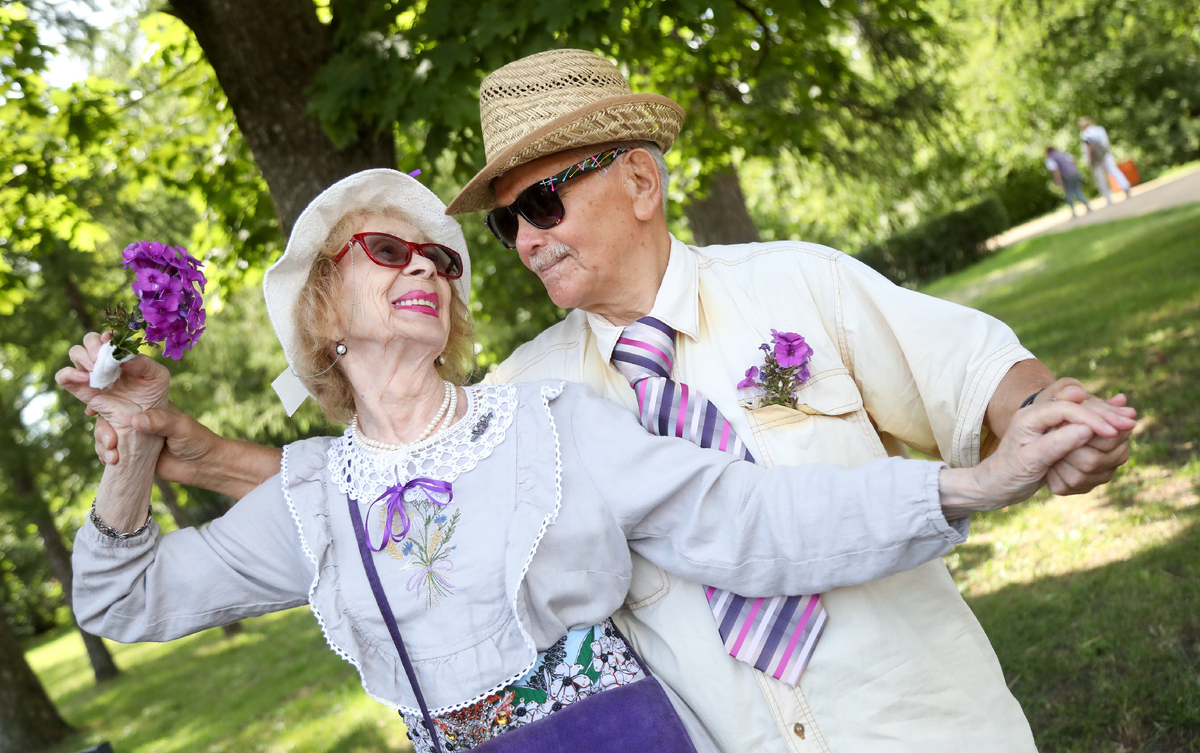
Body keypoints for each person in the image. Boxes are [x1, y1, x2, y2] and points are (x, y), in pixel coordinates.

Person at [85, 50, 1136, 751]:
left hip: (921, 723)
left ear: (640, 180)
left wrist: (1042, 429)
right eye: (504, 224)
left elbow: (964, 376)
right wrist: (179, 450)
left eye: (543, 198)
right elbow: (400, 499)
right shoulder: (526, 394)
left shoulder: (792, 283)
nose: (524, 238)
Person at [1079, 116, 1131, 205]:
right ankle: (1125, 186)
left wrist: (1090, 162)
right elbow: (1107, 142)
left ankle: (1107, 197)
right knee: (1114, 171)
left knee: (1100, 179)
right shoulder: (1099, 129)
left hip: (1096, 159)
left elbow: (1089, 148)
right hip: (1106, 154)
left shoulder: (1085, 134)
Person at [1045, 146, 1091, 216]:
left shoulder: (1050, 158)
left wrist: (1058, 180)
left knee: (1068, 194)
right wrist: (1076, 170)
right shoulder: (1062, 153)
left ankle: (1073, 212)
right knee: (1077, 191)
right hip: (1075, 172)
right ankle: (1087, 205)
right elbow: (1073, 160)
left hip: (1066, 176)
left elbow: (1055, 170)